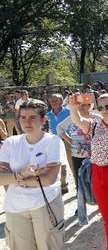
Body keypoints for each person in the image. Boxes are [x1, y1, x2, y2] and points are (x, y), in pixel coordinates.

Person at [69, 93, 108, 250]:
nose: (104, 110)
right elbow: (77, 120)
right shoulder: (94, 125)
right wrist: (72, 106)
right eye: (100, 107)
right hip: (100, 175)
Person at [0, 99, 67, 250]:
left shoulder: (53, 141)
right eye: (23, 117)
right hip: (15, 207)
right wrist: (23, 174)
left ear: (43, 119)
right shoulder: (11, 143)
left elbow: (49, 179)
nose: (26, 122)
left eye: (32, 117)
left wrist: (13, 178)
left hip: (45, 203)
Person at [47, 94, 71, 195]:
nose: (54, 102)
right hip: (55, 141)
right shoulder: (48, 115)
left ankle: (78, 186)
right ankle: (63, 184)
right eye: (52, 100)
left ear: (61, 101)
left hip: (68, 140)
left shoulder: (69, 112)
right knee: (59, 163)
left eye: (56, 100)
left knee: (71, 162)